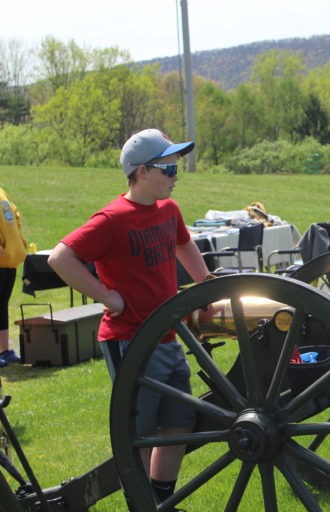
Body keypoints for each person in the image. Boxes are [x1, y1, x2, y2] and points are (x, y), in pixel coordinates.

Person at [47, 129, 211, 506]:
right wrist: (105, 295)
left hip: (168, 337)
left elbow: (183, 243)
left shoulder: (169, 210)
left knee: (178, 425)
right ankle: (141, 505)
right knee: (139, 432)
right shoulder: (111, 218)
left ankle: (158, 500)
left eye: (176, 167)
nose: (175, 175)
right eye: (168, 168)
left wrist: (205, 285)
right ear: (140, 171)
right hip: (130, 338)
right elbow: (60, 257)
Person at [0, 187, 26, 367]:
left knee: (2, 304)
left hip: (7, 259)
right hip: (7, 257)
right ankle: (2, 350)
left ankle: (4, 350)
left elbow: (15, 218)